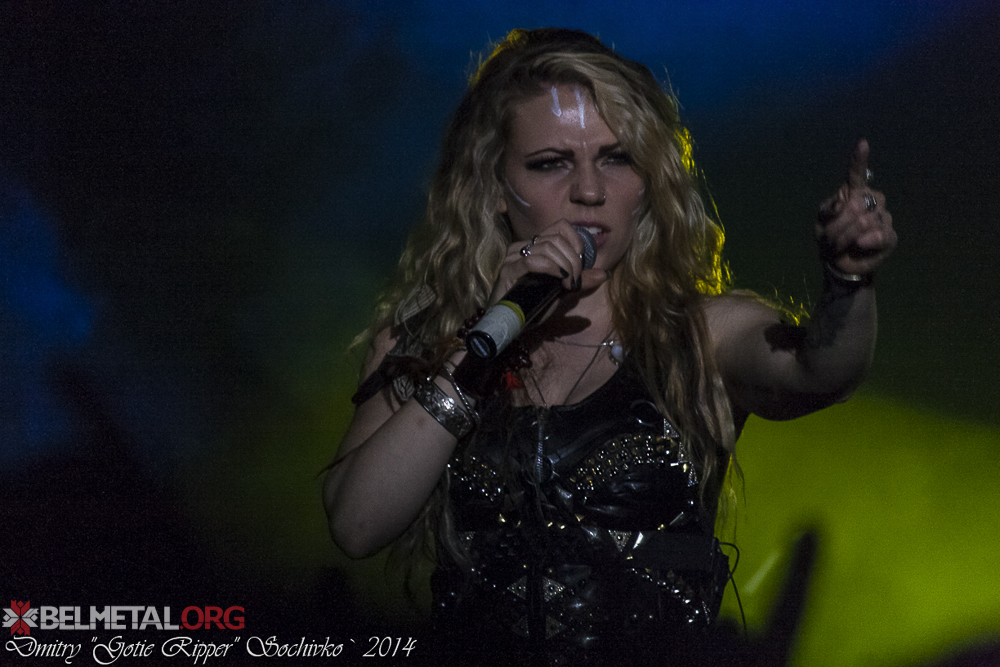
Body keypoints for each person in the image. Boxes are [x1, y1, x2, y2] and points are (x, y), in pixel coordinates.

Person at [323, 27, 896, 666]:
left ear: (648, 180)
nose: (590, 191)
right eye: (551, 163)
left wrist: (849, 280)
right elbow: (357, 525)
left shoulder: (701, 334)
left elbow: (822, 371)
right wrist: (478, 345)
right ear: (494, 187)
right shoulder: (427, 339)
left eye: (617, 158)